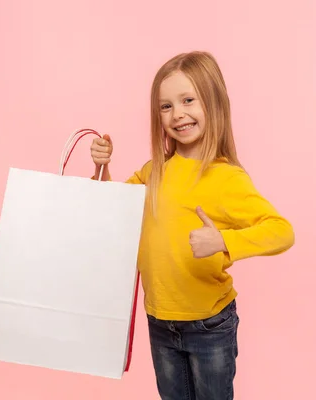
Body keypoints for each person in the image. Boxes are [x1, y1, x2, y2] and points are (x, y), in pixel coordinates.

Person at [90, 51, 295, 400]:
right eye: (166, 106)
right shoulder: (154, 170)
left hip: (209, 325)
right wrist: (102, 168)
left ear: (213, 103)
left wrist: (223, 241)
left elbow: (281, 230)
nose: (177, 114)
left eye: (188, 100)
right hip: (159, 320)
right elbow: (113, 210)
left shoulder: (225, 177)